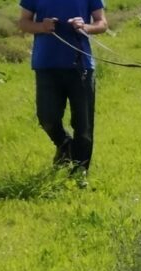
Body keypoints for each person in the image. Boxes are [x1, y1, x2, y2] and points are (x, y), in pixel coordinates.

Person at [18, 0, 108, 178]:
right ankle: (65, 145)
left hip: (81, 66)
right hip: (46, 66)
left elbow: (102, 23)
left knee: (83, 126)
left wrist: (85, 27)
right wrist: (41, 26)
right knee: (47, 118)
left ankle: (80, 173)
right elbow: (23, 22)